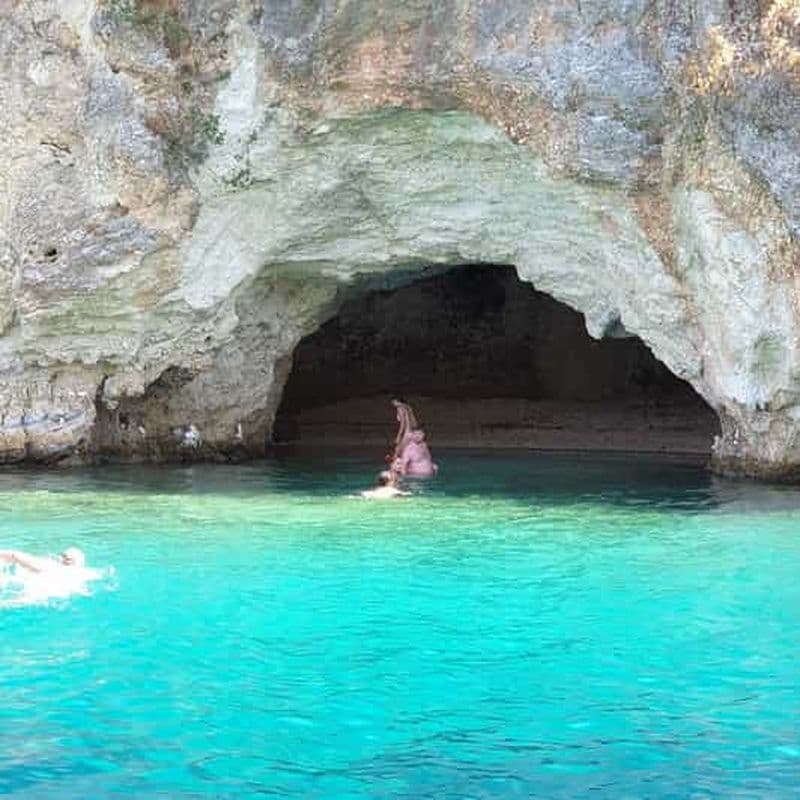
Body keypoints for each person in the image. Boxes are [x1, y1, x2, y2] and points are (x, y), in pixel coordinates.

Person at [0, 547, 86, 574]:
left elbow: (14, 556)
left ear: (68, 561)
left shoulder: (52, 569)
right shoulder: (84, 574)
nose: (59, 558)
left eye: (63, 556)